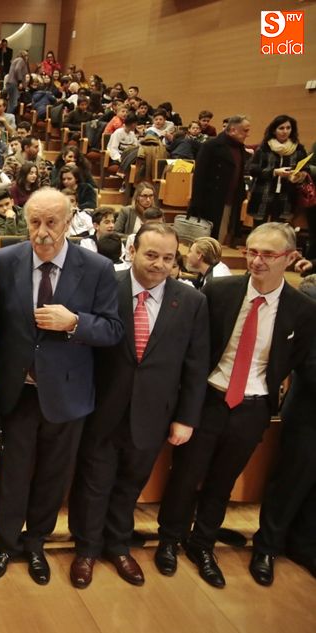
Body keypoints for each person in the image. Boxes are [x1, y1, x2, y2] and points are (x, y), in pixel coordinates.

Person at [156, 222, 316, 589]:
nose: (257, 261)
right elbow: (195, 351)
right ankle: (168, 540)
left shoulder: (302, 310)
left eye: (268, 254)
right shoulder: (220, 292)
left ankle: (202, 544)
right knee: (185, 474)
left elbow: (296, 360)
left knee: (222, 481)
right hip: (209, 398)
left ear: (290, 258)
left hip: (253, 406)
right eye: (251, 252)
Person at [0, 187, 123, 585]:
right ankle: (6, 544)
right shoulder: (4, 260)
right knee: (12, 474)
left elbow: (113, 329)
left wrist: (76, 322)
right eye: (34, 222)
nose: (42, 232)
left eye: (52, 222)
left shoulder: (97, 267)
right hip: (17, 391)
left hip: (68, 394)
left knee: (52, 475)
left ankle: (35, 544)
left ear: (69, 221)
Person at [68, 223, 210, 589]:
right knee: (94, 483)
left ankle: (117, 546)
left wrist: (186, 418)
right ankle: (86, 548)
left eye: (167, 257)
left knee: (129, 485)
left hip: (153, 414)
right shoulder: (105, 287)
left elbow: (195, 366)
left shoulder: (191, 301)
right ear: (132, 250)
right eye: (151, 254)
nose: (159, 264)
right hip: (102, 408)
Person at [252, 275, 316, 584]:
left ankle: (304, 546)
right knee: (291, 482)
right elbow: (308, 362)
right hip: (310, 413)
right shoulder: (312, 298)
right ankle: (267, 546)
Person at [187, 115, 251, 244]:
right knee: (208, 240)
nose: (247, 134)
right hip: (210, 202)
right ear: (233, 130)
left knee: (222, 238)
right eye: (245, 130)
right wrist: (196, 205)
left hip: (231, 201)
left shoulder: (239, 148)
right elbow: (199, 177)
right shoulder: (211, 146)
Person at [247, 115, 308, 224]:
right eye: (281, 128)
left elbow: (305, 169)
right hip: (263, 194)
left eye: (288, 128)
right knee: (260, 229)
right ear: (274, 130)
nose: (285, 131)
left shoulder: (299, 149)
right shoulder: (264, 147)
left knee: (280, 230)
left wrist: (299, 176)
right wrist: (274, 172)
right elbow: (252, 169)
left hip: (287, 195)